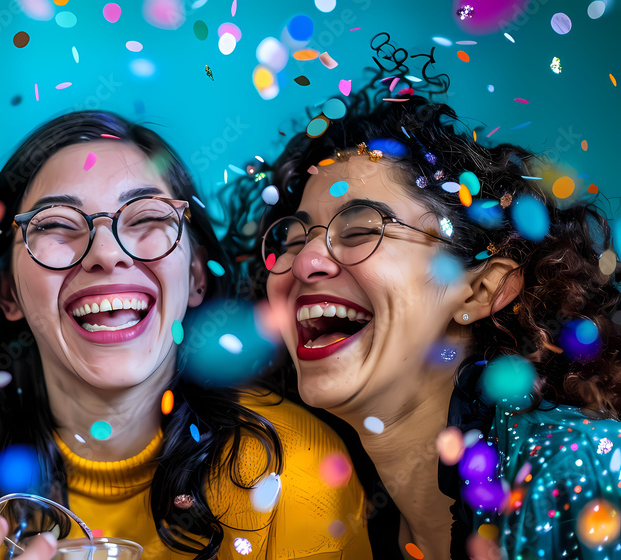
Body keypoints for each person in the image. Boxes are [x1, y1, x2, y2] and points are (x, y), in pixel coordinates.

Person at [0, 111, 372, 560]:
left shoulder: (297, 466)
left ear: (196, 274)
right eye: (57, 226)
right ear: (8, 292)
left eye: (148, 217)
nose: (106, 254)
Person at [229, 85, 621, 559]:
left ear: (481, 291)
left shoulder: (576, 469)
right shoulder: (338, 517)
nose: (306, 260)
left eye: (360, 229)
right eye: (291, 237)